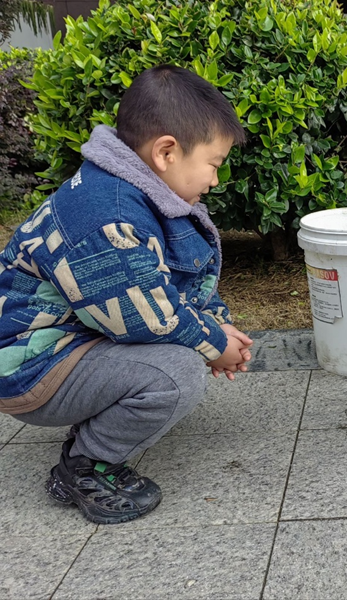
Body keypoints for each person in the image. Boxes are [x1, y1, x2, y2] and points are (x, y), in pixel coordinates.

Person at [0, 65, 253, 525]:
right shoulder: (108, 219)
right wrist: (215, 344)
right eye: (214, 164)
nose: (215, 180)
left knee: (179, 355)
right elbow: (147, 317)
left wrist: (215, 319)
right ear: (166, 152)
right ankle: (83, 467)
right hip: (29, 366)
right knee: (175, 375)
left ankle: (95, 422)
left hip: (66, 341)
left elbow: (175, 280)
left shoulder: (134, 192)